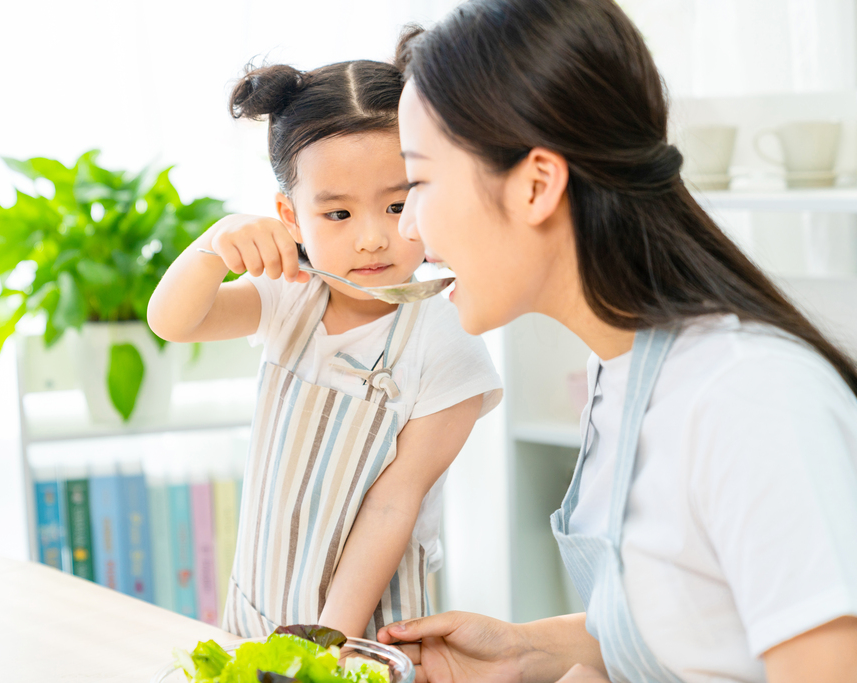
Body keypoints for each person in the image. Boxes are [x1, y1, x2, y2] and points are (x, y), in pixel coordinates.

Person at [375, 1, 857, 682]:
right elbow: (702, 628)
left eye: (418, 182)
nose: (408, 232)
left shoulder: (750, 397)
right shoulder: (625, 371)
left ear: (538, 183)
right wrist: (526, 652)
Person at [147, 58, 502, 640]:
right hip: (257, 606)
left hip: (363, 629)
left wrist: (325, 651)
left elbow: (392, 508)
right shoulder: (289, 295)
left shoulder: (448, 337)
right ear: (290, 217)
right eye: (337, 213)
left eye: (397, 204)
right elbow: (173, 322)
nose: (372, 237)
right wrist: (213, 246)